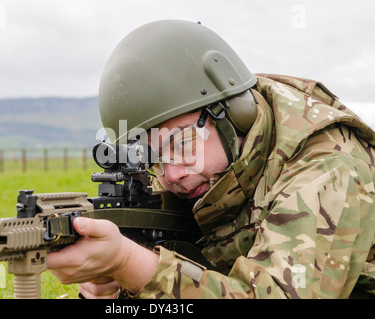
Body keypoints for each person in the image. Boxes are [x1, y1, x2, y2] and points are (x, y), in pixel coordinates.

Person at [47, 20, 375, 299]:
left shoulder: (328, 163)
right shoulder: (217, 171)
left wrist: (135, 264)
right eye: (154, 158)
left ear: (235, 113)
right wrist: (122, 289)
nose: (172, 174)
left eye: (182, 143)